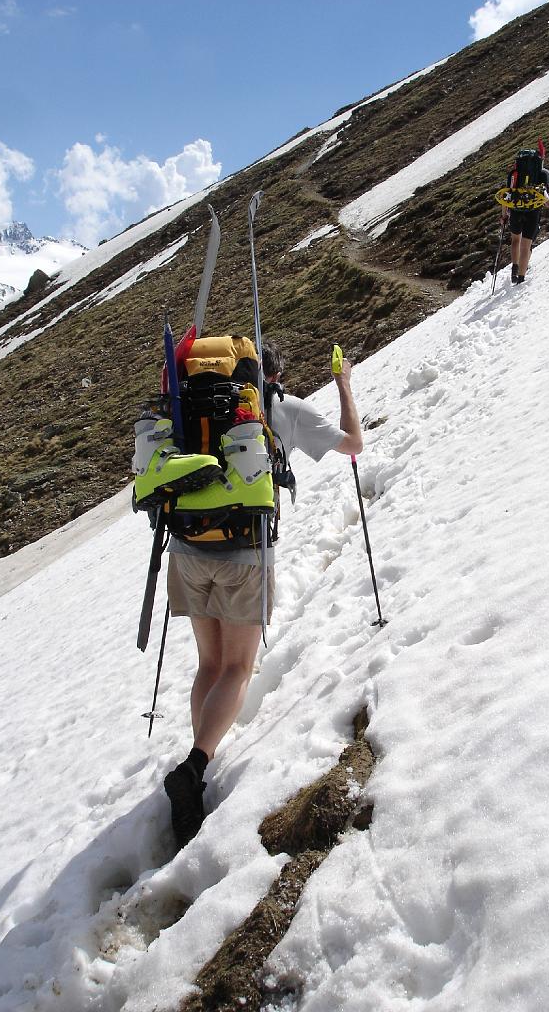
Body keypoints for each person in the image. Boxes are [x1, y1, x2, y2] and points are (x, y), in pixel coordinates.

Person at [162, 339, 363, 848]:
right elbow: (353, 444)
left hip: (186, 547)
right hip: (243, 553)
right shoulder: (282, 408)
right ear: (271, 375)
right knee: (236, 669)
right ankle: (195, 767)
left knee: (209, 665)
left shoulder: (197, 407)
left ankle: (197, 763)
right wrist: (343, 383)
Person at [501, 156, 549, 284]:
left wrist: (504, 216)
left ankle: (514, 268)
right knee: (526, 246)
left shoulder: (514, 173)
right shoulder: (543, 173)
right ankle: (521, 278)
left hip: (516, 210)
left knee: (515, 241)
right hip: (533, 212)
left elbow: (506, 195)